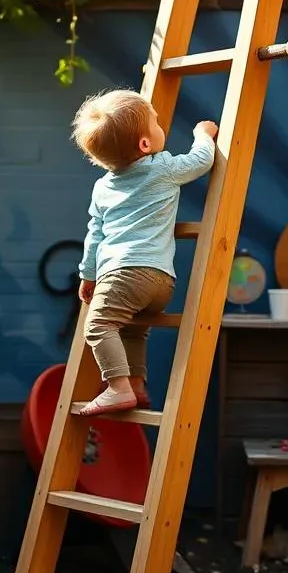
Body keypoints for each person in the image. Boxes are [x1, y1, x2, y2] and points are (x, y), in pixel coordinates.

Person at [71, 88, 218, 415]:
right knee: (131, 329)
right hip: (161, 282)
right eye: (155, 121)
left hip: (124, 275)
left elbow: (94, 234)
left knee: (99, 325)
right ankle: (131, 387)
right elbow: (201, 160)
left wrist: (88, 274)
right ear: (144, 145)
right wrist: (202, 134)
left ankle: (119, 387)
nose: (159, 123)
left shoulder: (102, 188)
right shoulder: (162, 168)